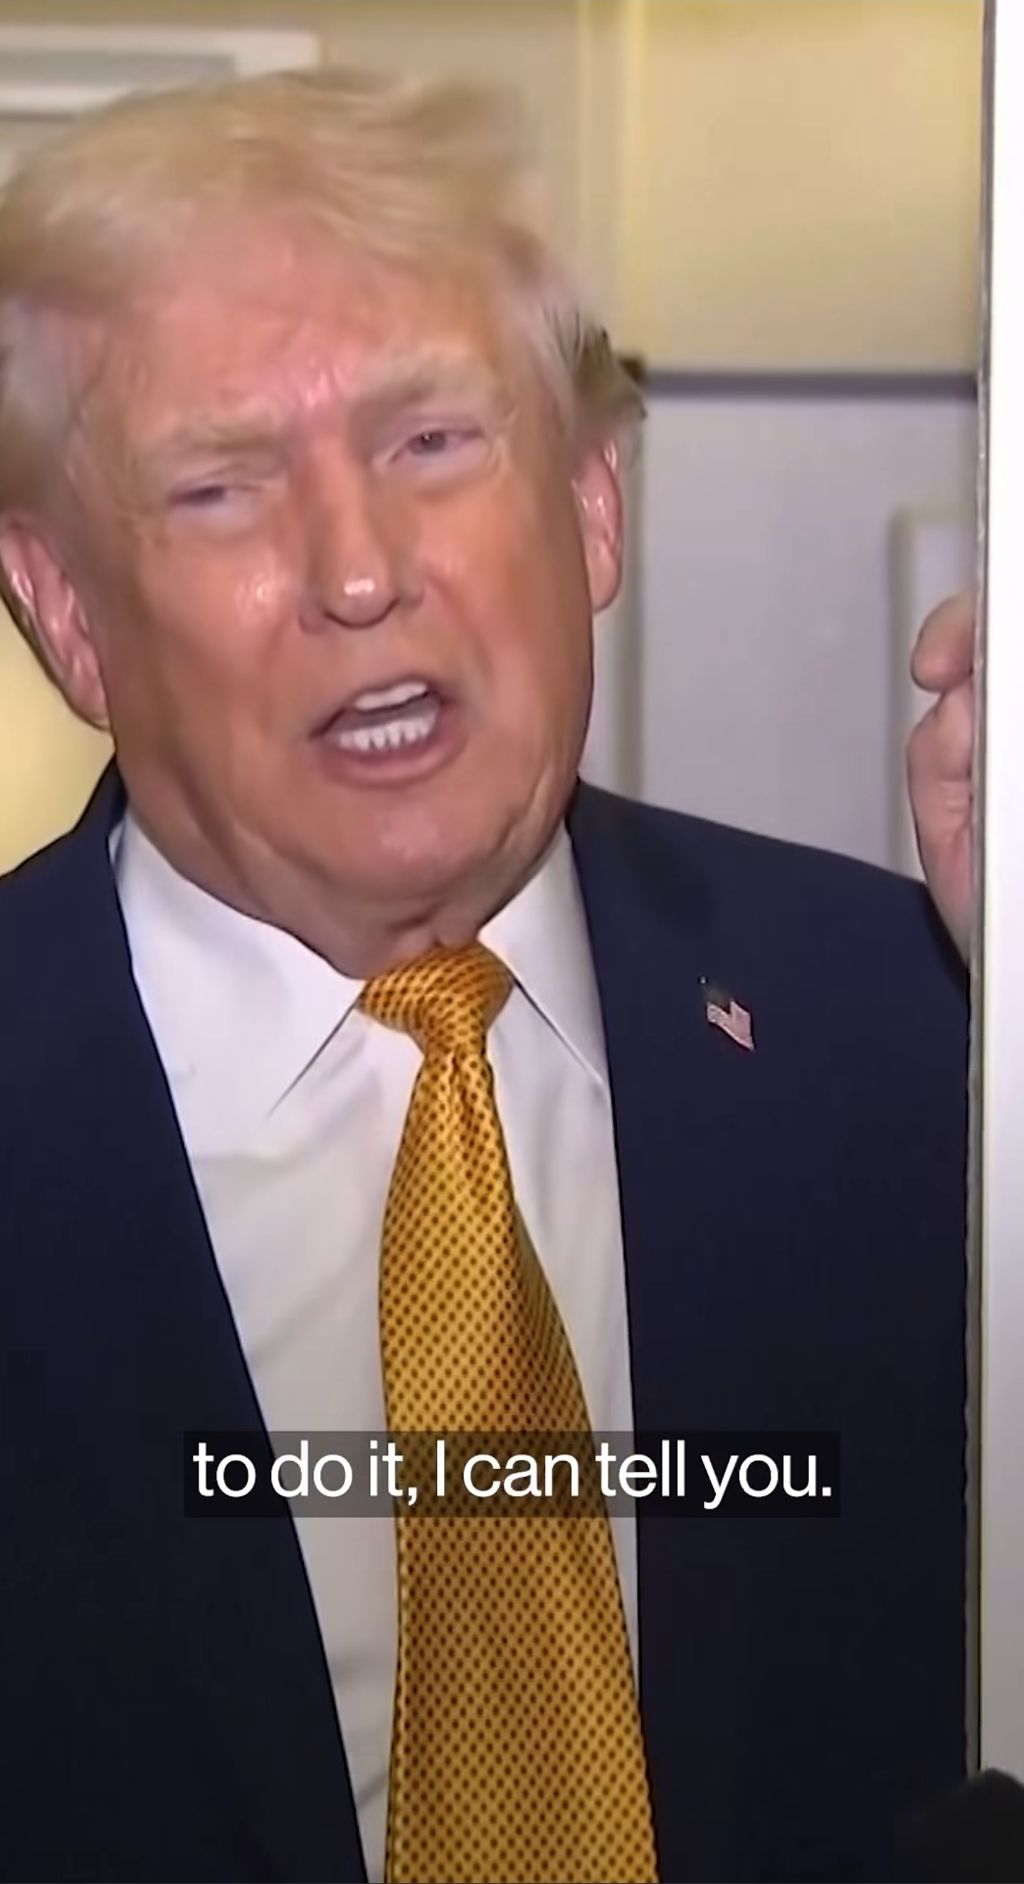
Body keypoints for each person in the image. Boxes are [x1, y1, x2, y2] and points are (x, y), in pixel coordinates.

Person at [0, 69, 969, 1884]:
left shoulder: (929, 1042)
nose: (360, 572)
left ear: (592, 508)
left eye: (434, 442)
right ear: (64, 611)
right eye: (219, 487)